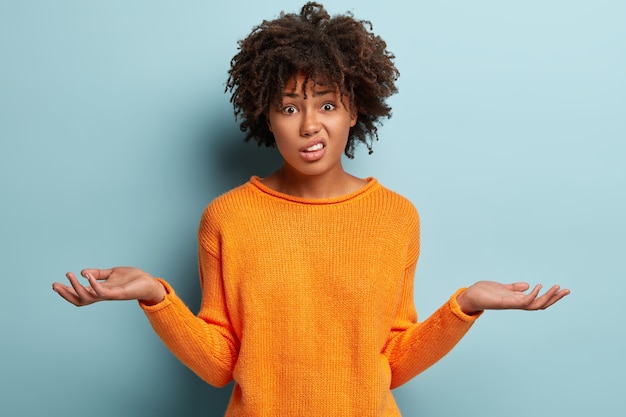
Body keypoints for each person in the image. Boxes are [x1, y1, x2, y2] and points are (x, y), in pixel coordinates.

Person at [52, 3, 570, 416]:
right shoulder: (227, 218)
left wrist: (467, 306)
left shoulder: (396, 217)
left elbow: (388, 362)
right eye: (289, 106)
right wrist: (155, 297)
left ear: (354, 110)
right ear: (267, 116)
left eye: (326, 104)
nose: (308, 126)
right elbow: (221, 366)